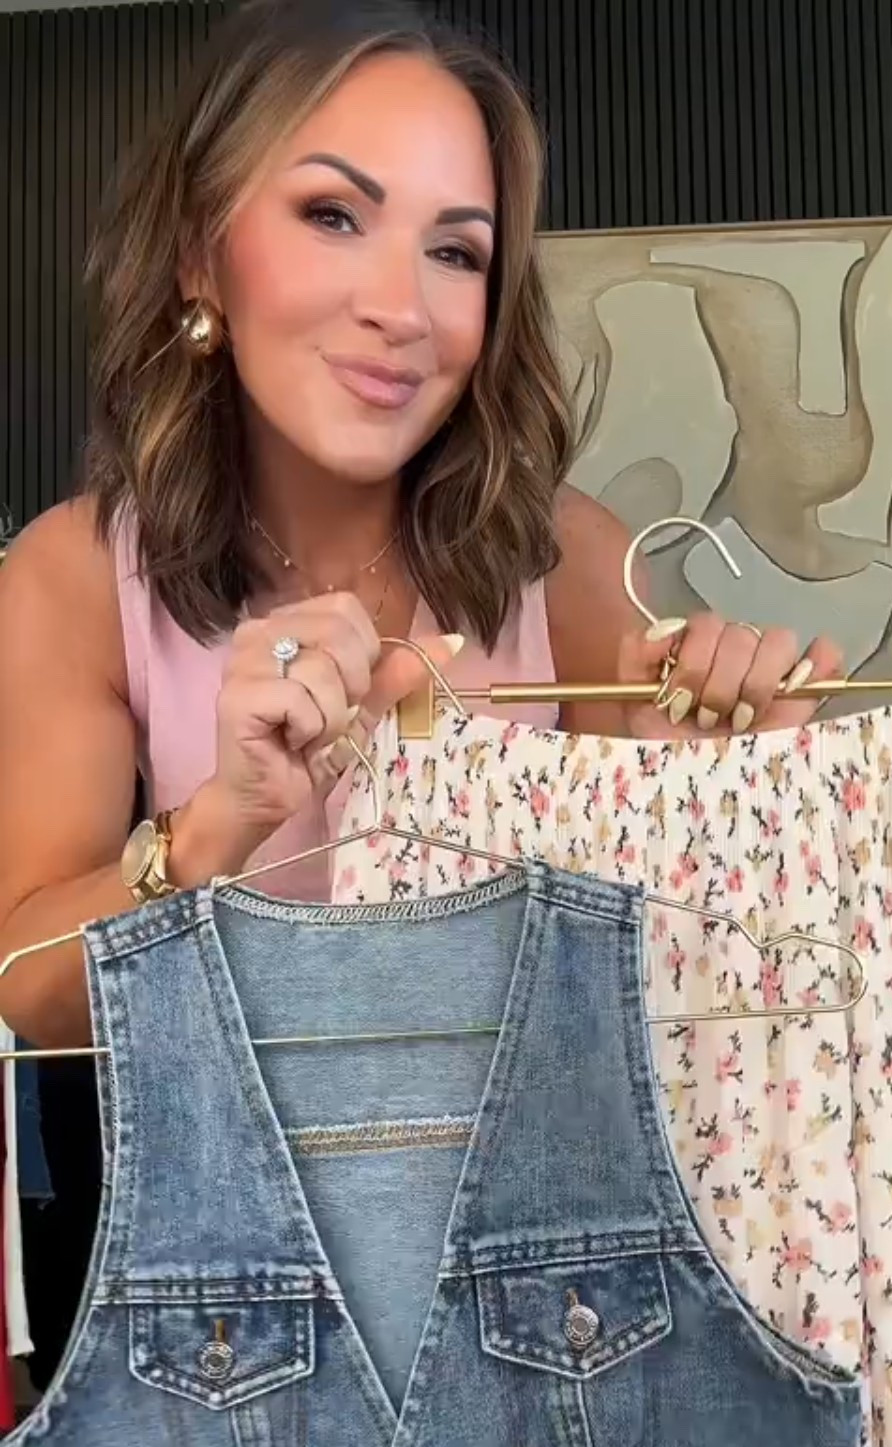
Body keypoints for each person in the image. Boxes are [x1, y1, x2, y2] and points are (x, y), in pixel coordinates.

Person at [0, 0, 840, 1052]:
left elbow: (662, 1009)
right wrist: (224, 820)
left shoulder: (576, 564)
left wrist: (695, 812)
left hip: (543, 1202)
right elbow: (28, 991)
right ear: (198, 257)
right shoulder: (73, 579)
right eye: (334, 216)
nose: (402, 308)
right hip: (228, 1206)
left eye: (455, 252)